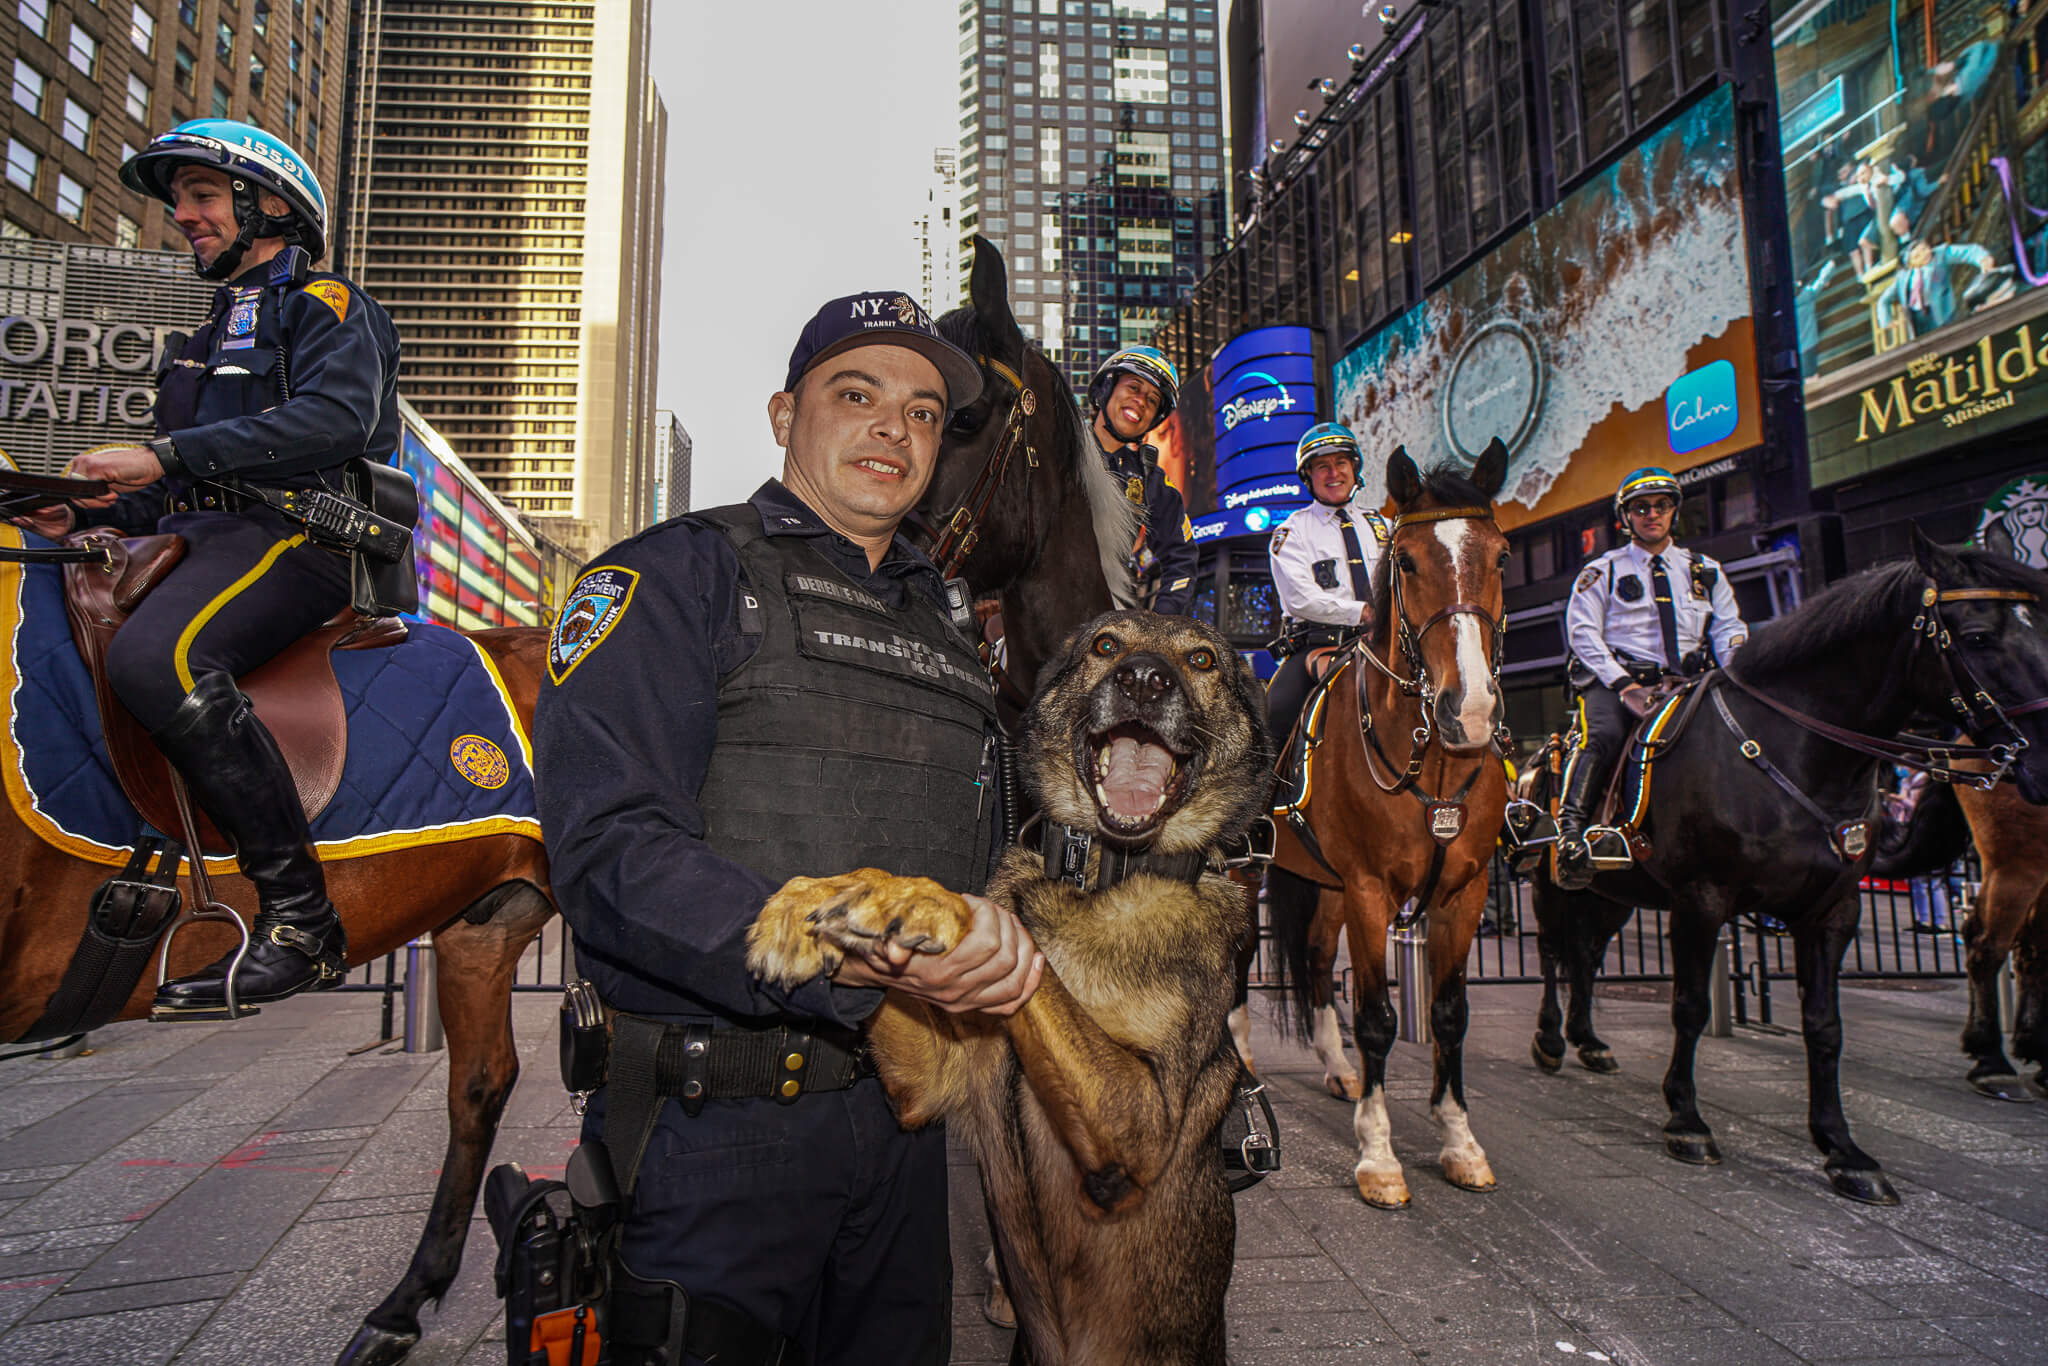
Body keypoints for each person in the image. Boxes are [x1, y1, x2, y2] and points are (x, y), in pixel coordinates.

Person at [533, 289, 1044, 1366]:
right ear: (782, 414)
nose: (889, 428)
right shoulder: (674, 572)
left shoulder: (950, 631)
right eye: (854, 394)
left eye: (918, 413)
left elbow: (986, 853)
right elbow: (610, 849)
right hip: (713, 1131)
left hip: (904, 1130)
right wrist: (858, 952)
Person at [7, 119, 403, 1014]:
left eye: (201, 195)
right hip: (203, 539)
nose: (182, 215)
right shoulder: (197, 339)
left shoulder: (330, 305)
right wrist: (79, 508)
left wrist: (165, 455)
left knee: (161, 660)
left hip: (302, 539)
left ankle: (303, 922)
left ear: (270, 206)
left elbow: (335, 422)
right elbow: (168, 496)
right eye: (178, 199)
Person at [1555, 467, 1747, 889]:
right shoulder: (1602, 571)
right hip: (1618, 684)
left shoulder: (1705, 570)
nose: (1652, 515)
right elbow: (1583, 633)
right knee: (1600, 736)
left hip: (1691, 685)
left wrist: (1735, 669)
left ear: (1674, 512)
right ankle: (1570, 837)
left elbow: (1728, 628)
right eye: (1640, 508)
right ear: (1625, 519)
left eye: (1661, 506)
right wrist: (1625, 685)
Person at [1265, 421, 1386, 752]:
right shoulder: (1291, 532)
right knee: (1270, 721)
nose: (1334, 473)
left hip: (1384, 645)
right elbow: (1301, 599)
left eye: (1341, 463)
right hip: (1316, 646)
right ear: (1309, 477)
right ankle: (1266, 803)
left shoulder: (1383, 527)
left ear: (1354, 468)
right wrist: (1362, 612)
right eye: (1322, 466)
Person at [1087, 345, 1198, 614]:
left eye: (1152, 401)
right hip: (1033, 607)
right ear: (1106, 387)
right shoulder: (1056, 445)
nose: (1141, 401)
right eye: (1134, 387)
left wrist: (1161, 622)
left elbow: (1182, 558)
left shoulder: (1152, 482)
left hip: (1107, 616)